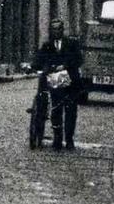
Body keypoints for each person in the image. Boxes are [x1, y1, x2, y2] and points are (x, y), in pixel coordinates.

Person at [31, 19, 82, 151]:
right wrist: (32, 66)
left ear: (62, 30)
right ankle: (57, 138)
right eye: (54, 29)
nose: (56, 31)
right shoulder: (47, 45)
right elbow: (39, 58)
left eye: (59, 28)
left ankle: (69, 139)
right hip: (56, 80)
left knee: (70, 111)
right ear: (51, 31)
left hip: (70, 82)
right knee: (56, 109)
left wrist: (65, 65)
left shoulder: (71, 44)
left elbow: (78, 59)